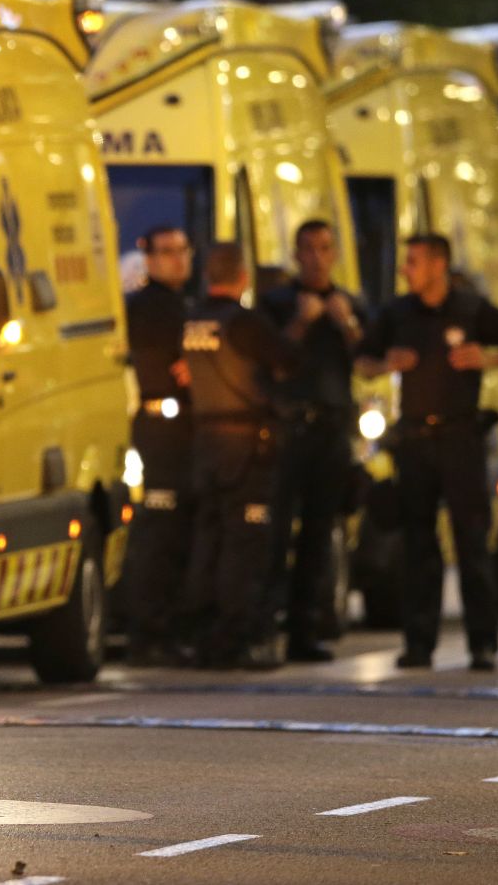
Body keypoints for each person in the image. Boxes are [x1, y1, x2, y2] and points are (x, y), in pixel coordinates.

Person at [355, 234, 498, 671]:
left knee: (472, 541)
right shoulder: (397, 313)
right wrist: (387, 365)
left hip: (461, 439)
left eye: (414, 262)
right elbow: (362, 359)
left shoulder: (470, 308)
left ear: (439, 265)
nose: (406, 270)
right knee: (419, 546)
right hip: (416, 440)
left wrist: (487, 359)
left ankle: (483, 644)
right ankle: (419, 644)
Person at [182, 242, 299, 670]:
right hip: (246, 445)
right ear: (243, 276)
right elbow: (290, 359)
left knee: (207, 539)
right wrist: (303, 322)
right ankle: (237, 636)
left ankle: (201, 633)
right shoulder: (245, 323)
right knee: (245, 543)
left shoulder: (192, 319)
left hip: (205, 442)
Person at [259, 219, 365, 662]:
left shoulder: (349, 304)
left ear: (335, 253)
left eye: (325, 248)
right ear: (296, 254)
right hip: (289, 430)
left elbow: (369, 358)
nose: (317, 257)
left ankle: (305, 631)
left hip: (332, 430)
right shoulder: (278, 303)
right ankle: (264, 630)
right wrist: (302, 324)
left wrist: (347, 325)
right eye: (309, 249)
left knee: (319, 535)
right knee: (274, 533)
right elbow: (269, 360)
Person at [122, 226, 195, 667]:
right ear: (147, 257)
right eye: (166, 252)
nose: (176, 260)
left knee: (175, 533)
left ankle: (163, 628)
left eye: (182, 251)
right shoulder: (147, 308)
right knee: (159, 533)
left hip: (182, 429)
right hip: (159, 430)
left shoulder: (181, 304)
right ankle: (150, 630)